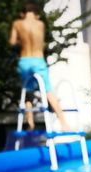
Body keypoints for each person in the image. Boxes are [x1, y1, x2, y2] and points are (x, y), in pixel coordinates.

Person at [9, 2, 71, 131]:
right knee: (48, 91)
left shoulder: (17, 24)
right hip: (38, 60)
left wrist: (22, 40)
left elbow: (12, 42)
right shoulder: (41, 24)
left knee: (28, 92)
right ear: (36, 15)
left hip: (25, 60)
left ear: (22, 14)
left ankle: (30, 123)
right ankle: (64, 124)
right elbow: (41, 43)